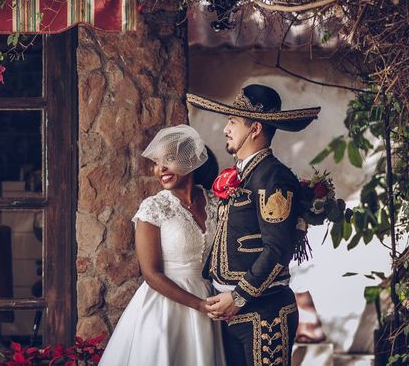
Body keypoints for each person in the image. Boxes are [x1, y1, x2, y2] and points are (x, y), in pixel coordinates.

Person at [187, 84, 321, 366]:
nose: (226, 129)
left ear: (255, 129)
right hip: (231, 310)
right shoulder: (244, 173)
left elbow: (278, 249)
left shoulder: (273, 177)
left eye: (233, 122)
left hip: (264, 312)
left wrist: (238, 296)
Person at [99, 124, 226, 366]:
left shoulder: (216, 202)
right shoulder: (153, 207)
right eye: (157, 163)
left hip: (209, 300)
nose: (160, 169)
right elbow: (151, 273)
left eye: (169, 159)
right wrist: (198, 305)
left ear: (191, 160)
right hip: (165, 306)